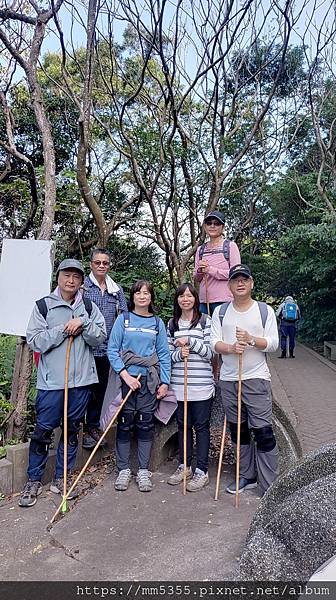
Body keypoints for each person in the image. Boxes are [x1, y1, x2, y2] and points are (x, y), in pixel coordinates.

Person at [19, 259, 106, 508]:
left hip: (81, 382)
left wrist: (84, 323)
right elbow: (35, 341)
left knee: (71, 430)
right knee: (42, 431)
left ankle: (62, 478)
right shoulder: (43, 306)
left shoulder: (88, 307)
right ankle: (34, 479)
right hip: (51, 383)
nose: (71, 281)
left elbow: (100, 338)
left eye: (76, 277)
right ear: (59, 277)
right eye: (67, 275)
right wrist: (63, 330)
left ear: (81, 281)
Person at [210, 264, 279, 495]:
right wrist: (230, 347)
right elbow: (214, 343)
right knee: (238, 431)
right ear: (229, 285)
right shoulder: (220, 312)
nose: (240, 283)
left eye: (244, 279)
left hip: (256, 378)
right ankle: (245, 475)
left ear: (251, 283)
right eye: (235, 279)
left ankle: (270, 485)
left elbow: (273, 343)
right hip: (229, 379)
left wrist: (251, 340)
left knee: (263, 431)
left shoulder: (264, 310)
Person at [107, 280, 171, 493]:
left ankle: (143, 470)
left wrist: (165, 381)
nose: (142, 296)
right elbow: (113, 350)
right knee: (125, 423)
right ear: (132, 296)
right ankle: (123, 469)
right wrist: (126, 376)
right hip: (126, 381)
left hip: (149, 381)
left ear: (151, 297)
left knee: (145, 423)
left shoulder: (157, 323)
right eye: (138, 292)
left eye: (146, 293)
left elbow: (163, 354)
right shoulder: (123, 320)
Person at [166, 283, 214, 491]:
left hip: (202, 385)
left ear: (196, 298)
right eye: (181, 296)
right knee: (182, 427)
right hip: (180, 385)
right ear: (177, 300)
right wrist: (179, 354)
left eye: (189, 295)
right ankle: (184, 465)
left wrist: (191, 343)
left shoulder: (205, 321)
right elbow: (167, 355)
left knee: (201, 428)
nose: (185, 299)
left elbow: (212, 353)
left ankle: (201, 471)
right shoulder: (172, 323)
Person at [82, 248, 127, 449]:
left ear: (109, 265)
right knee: (81, 389)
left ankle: (92, 427)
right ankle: (74, 428)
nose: (101, 266)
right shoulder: (82, 287)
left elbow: (124, 317)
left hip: (106, 349)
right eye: (98, 262)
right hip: (83, 347)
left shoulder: (116, 291)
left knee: (99, 390)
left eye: (105, 263)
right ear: (91, 264)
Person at [194, 210, 241, 316]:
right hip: (204, 303)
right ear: (205, 227)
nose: (212, 226)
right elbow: (196, 278)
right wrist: (200, 270)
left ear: (223, 227)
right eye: (209, 223)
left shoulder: (230, 246)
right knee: (205, 332)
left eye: (216, 223)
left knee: (224, 332)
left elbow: (236, 274)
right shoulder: (200, 250)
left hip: (225, 301)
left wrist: (210, 270)